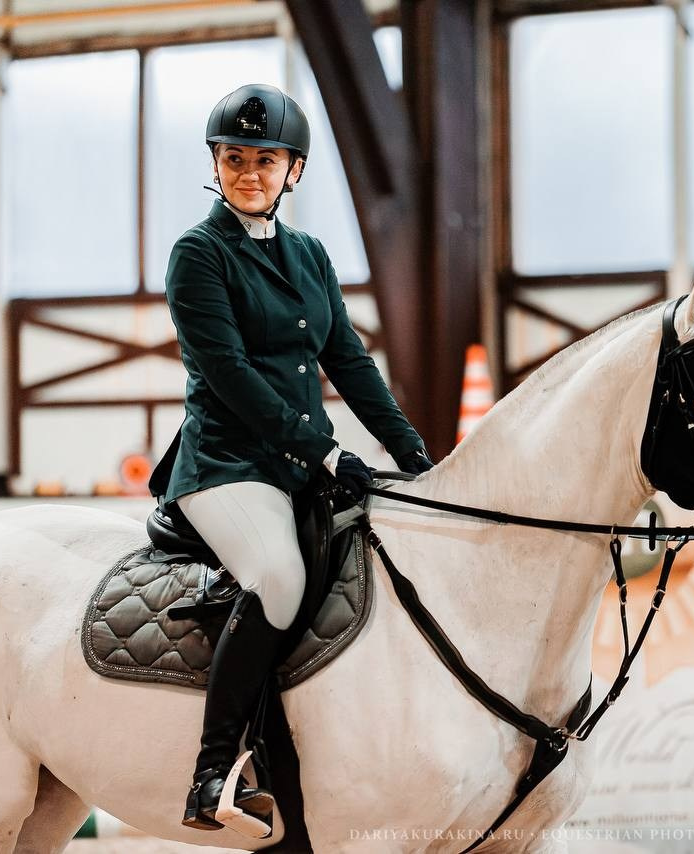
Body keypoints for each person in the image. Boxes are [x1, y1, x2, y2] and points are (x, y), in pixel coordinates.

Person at [146, 83, 433, 836]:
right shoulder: (198, 254)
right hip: (226, 465)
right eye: (235, 159)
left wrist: (413, 450)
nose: (249, 173)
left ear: (292, 171)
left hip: (302, 467)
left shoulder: (309, 255)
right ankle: (213, 773)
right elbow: (229, 375)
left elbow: (350, 361)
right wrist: (328, 451)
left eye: (265, 161)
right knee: (278, 577)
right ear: (218, 164)